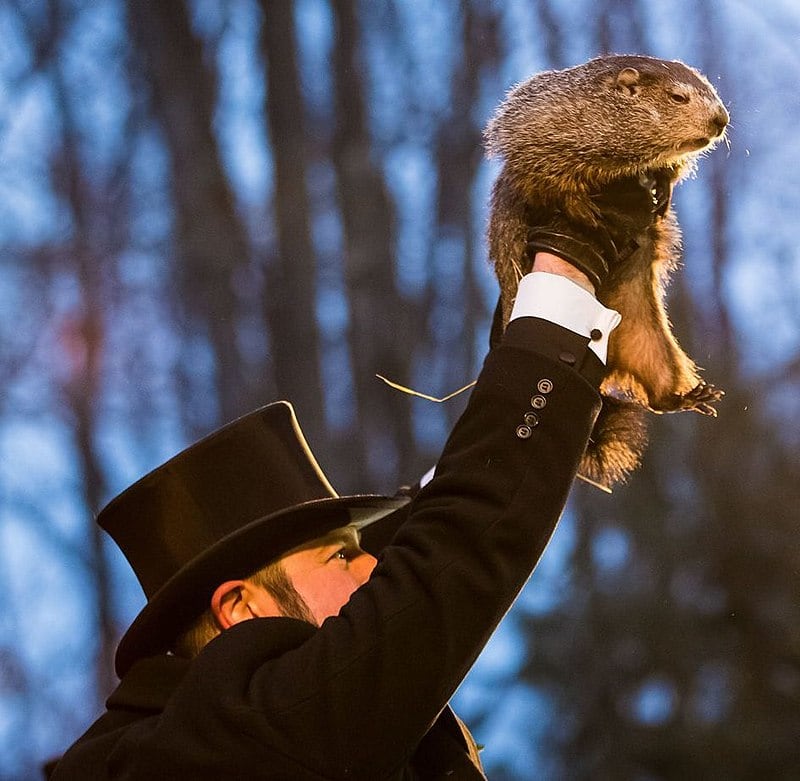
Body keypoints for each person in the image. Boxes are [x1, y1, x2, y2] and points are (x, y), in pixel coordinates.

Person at [49, 177, 662, 779]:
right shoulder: (220, 748)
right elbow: (444, 572)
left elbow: (423, 532)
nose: (372, 566)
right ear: (242, 608)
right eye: (341, 558)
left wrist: (546, 388)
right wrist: (564, 283)